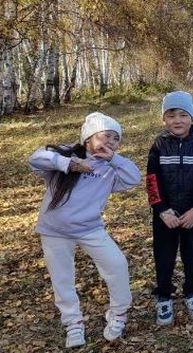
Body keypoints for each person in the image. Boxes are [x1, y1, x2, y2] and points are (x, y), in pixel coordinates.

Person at [29, 112, 141, 349]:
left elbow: (133, 178)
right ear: (88, 138)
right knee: (63, 279)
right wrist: (70, 164)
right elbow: (36, 158)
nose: (111, 142)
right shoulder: (64, 155)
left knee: (117, 265)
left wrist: (115, 159)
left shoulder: (111, 168)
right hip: (54, 231)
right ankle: (73, 322)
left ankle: (118, 314)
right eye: (106, 136)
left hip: (90, 229)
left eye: (116, 139)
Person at [146, 91, 193, 326]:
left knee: (192, 256)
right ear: (164, 119)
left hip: (192, 216)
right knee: (164, 257)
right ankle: (164, 295)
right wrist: (162, 210)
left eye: (183, 115)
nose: (177, 120)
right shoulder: (158, 146)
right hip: (166, 217)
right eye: (171, 115)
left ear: (192, 118)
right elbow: (152, 181)